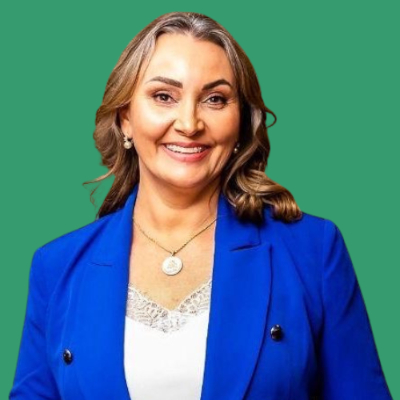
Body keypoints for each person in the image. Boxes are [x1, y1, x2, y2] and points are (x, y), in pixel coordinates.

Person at [9, 11, 392, 400]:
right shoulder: (56, 267)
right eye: (164, 96)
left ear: (241, 123)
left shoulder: (314, 250)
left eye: (215, 99)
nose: (189, 124)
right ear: (125, 119)